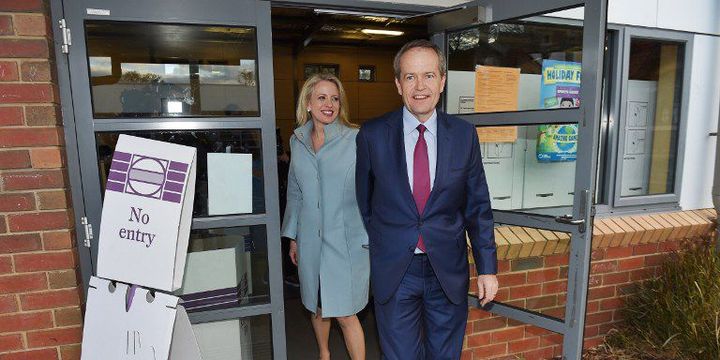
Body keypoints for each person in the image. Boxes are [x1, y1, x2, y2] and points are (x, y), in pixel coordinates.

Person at [355, 40, 499, 359]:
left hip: (447, 269)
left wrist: (487, 268)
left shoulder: (464, 135)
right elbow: (365, 203)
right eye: (410, 77)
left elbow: (478, 207)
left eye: (429, 75)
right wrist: (389, 239)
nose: (420, 86)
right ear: (397, 84)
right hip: (395, 271)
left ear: (443, 81)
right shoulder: (372, 135)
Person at [281, 73, 369, 360]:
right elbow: (295, 191)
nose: (329, 104)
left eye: (334, 98)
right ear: (308, 103)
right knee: (317, 306)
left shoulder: (356, 139)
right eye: (321, 97)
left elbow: (375, 189)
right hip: (310, 242)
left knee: (345, 313)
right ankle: (324, 354)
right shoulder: (297, 141)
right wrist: (293, 237)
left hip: (345, 243)